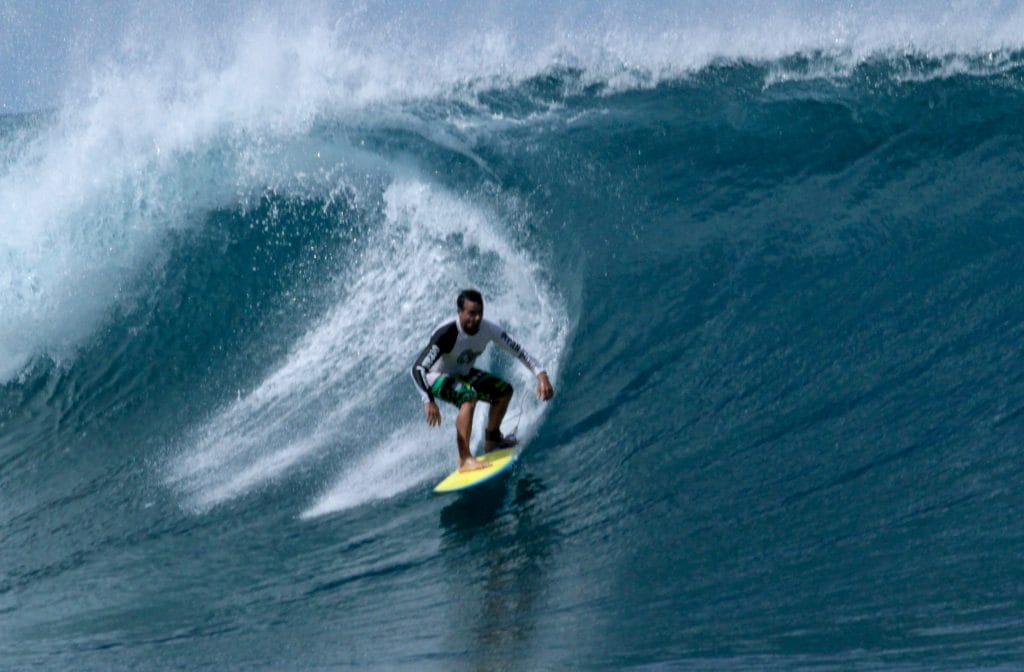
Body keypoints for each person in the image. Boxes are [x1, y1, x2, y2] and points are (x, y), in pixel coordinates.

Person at [412, 289, 554, 472]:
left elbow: (519, 351)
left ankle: (492, 439)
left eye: (480, 312)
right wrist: (428, 400)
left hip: (461, 372)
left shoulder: (489, 329)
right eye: (472, 313)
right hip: (435, 376)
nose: (477, 318)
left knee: (503, 391)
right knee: (468, 397)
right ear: (460, 312)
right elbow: (417, 368)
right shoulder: (447, 333)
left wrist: (541, 374)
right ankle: (464, 460)